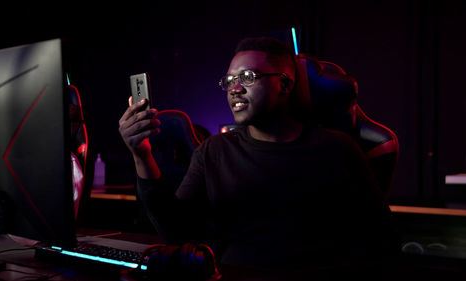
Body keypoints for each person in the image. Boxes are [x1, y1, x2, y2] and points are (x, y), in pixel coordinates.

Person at [119, 37, 399, 277]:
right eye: (229, 80)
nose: (234, 88)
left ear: (285, 86)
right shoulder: (214, 151)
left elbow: (379, 244)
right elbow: (177, 232)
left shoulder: (337, 149)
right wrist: (141, 154)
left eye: (248, 78)